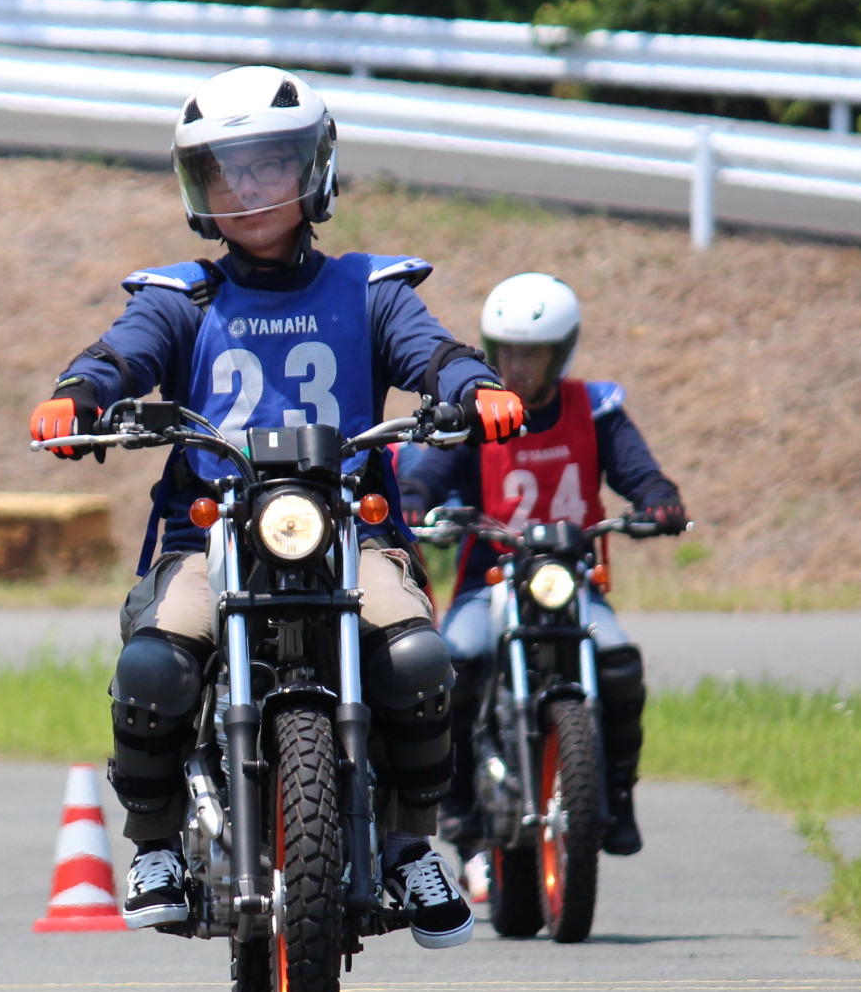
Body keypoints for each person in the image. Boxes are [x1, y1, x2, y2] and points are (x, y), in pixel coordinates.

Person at [27, 65, 524, 947]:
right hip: (207, 535)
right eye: (226, 171)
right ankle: (153, 847)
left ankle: (413, 844)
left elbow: (431, 350)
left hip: (348, 531)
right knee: (155, 667)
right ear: (199, 189)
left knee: (416, 658)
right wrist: (79, 393)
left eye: (268, 165)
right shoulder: (181, 299)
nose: (248, 188)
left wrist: (474, 384)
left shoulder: (372, 289)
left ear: (316, 170)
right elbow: (120, 356)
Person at [396, 272, 687, 872]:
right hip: (491, 581)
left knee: (620, 661)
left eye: (532, 353)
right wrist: (417, 498)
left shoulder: (596, 409)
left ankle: (618, 793)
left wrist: (658, 499)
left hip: (573, 582)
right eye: (506, 351)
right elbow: (430, 472)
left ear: (562, 353)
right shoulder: (477, 412)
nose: (517, 365)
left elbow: (639, 472)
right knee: (455, 660)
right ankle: (456, 804)